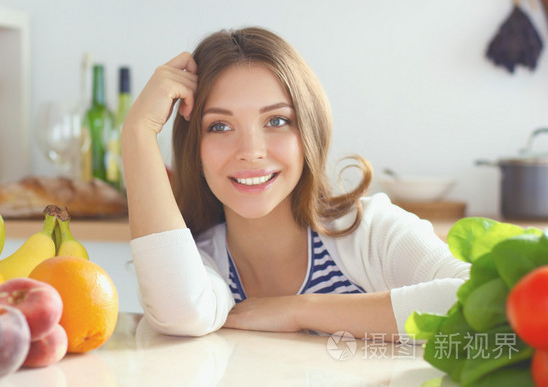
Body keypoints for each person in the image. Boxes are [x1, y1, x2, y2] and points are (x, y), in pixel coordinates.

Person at [120, 26, 469, 340]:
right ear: (195, 149)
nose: (251, 152)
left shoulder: (368, 231)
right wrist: (138, 132)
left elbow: (478, 299)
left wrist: (299, 309)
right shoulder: (201, 261)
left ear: (308, 131)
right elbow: (182, 314)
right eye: (220, 126)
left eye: (276, 120)